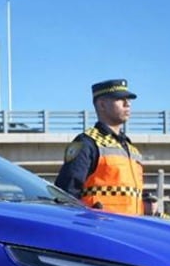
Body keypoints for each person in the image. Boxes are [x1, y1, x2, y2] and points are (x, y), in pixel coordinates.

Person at [54, 79, 144, 215]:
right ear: (102, 105)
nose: (128, 104)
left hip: (131, 229)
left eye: (128, 100)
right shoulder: (87, 143)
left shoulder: (131, 149)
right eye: (120, 99)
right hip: (100, 229)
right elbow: (67, 193)